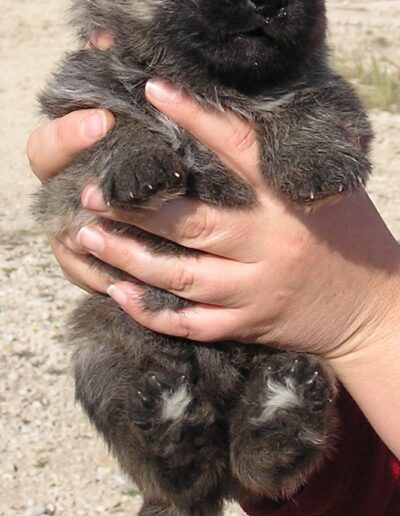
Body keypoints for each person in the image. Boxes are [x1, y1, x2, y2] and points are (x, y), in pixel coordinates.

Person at [27, 41, 400, 514]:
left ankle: (262, 451)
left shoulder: (292, 76)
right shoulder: (103, 72)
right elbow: (62, 196)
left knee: (291, 389)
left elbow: (330, 129)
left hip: (287, 349)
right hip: (147, 334)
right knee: (100, 353)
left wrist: (366, 315)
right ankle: (175, 475)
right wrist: (101, 176)